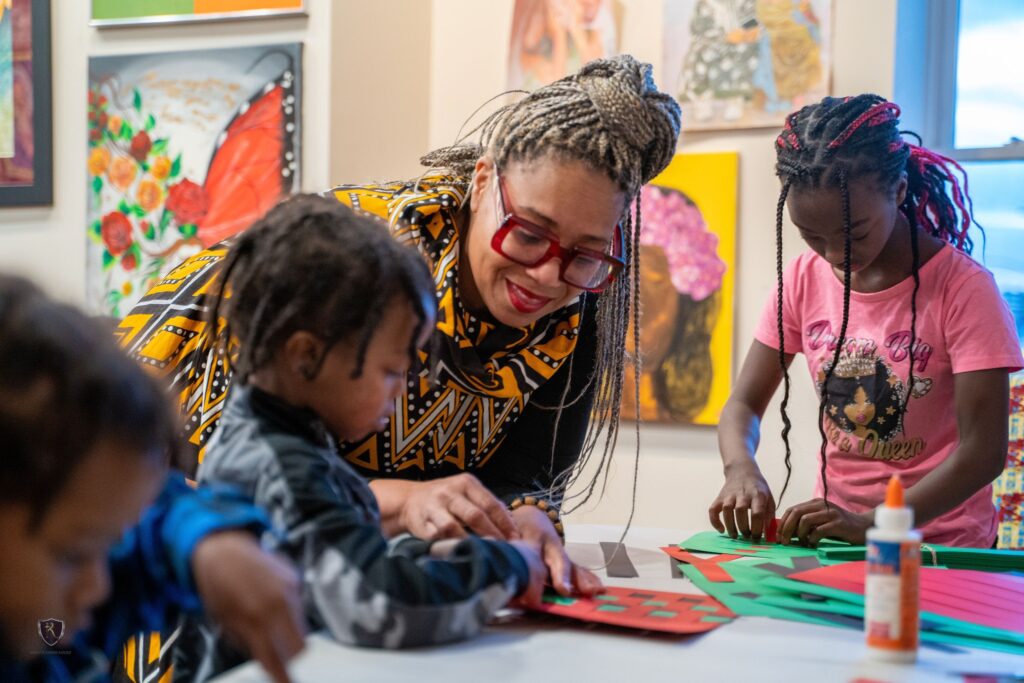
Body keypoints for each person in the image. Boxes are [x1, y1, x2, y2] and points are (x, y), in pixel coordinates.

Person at [117, 54, 681, 586]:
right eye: (529, 234)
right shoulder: (364, 272)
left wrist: (522, 517)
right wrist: (407, 500)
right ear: (482, 181)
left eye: (586, 253)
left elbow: (527, 468)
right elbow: (245, 477)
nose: (547, 277)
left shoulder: (575, 302)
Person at [177, 196, 547, 676]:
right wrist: (506, 567)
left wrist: (441, 553)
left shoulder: (281, 443)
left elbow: (338, 557)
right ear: (306, 355)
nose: (406, 386)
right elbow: (377, 604)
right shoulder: (277, 467)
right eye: (393, 370)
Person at [709, 94, 1023, 548]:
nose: (836, 256)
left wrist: (875, 522)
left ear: (897, 191)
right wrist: (741, 469)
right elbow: (742, 406)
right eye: (811, 236)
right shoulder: (801, 279)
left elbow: (983, 453)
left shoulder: (964, 289)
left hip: (942, 547)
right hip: (838, 540)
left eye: (854, 234)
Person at [0, 275, 306, 683]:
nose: (99, 587)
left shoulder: (46, 626)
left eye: (108, 545)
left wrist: (210, 544)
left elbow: (156, 526)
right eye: (73, 555)